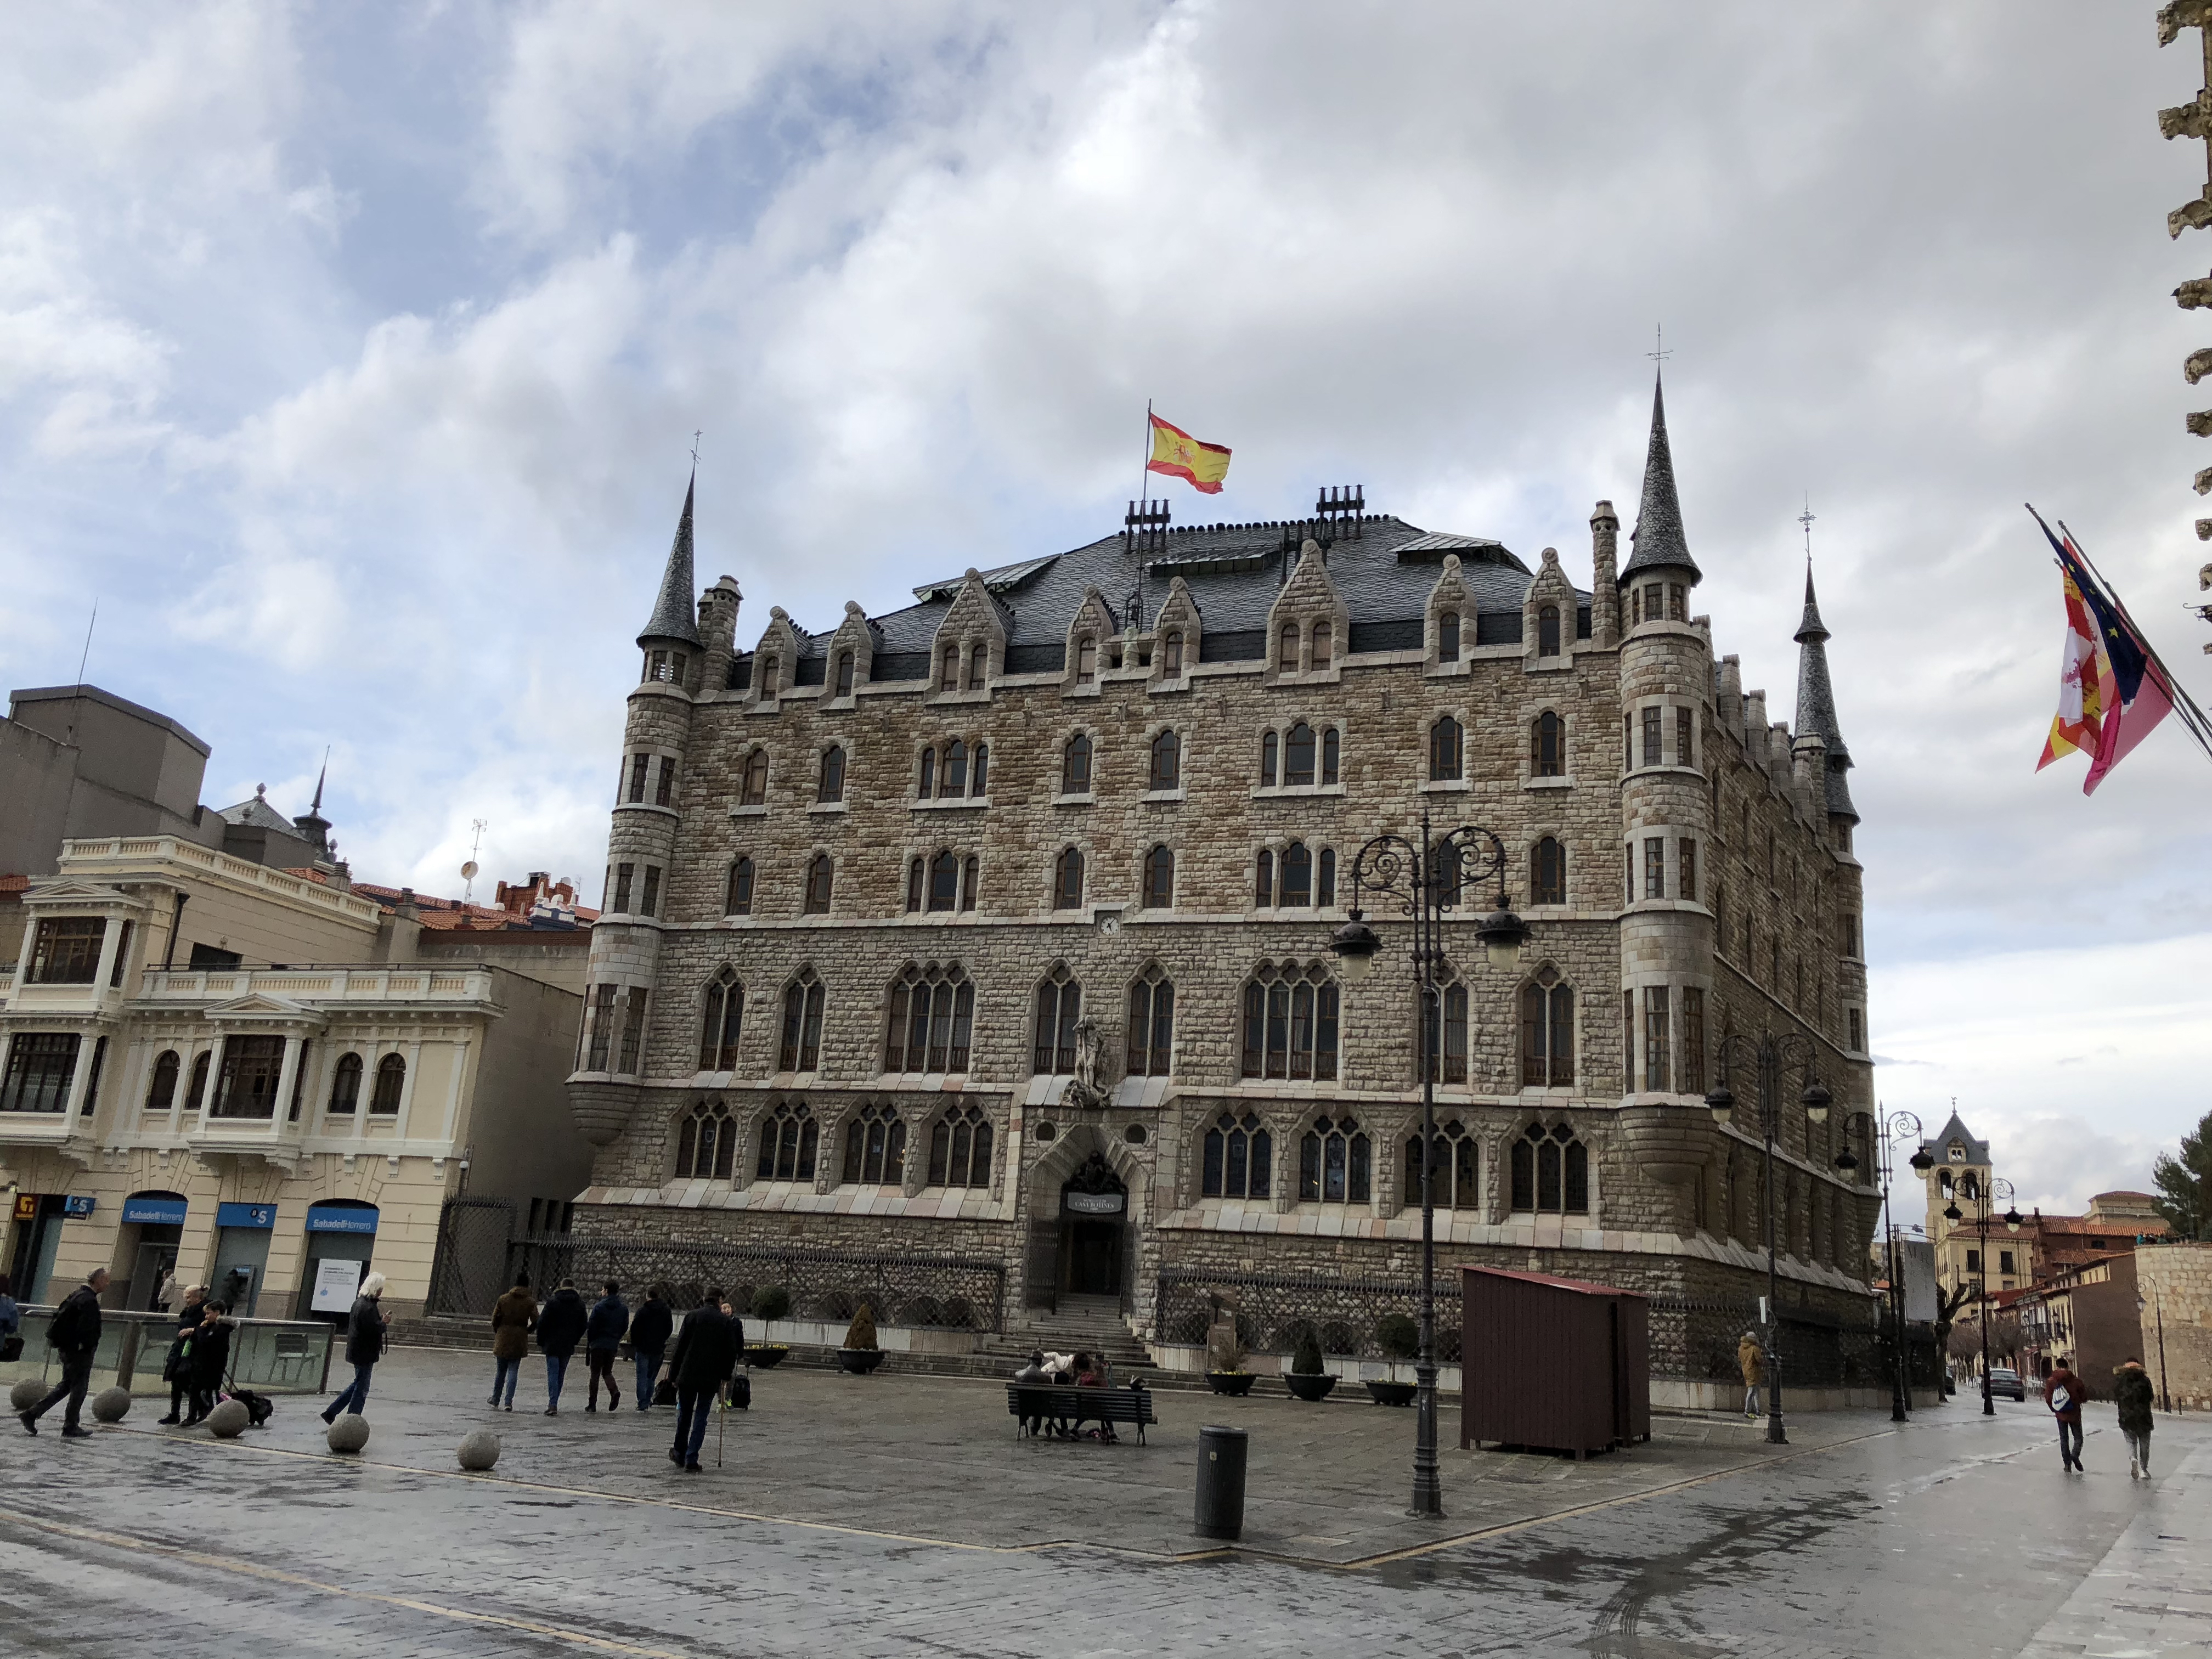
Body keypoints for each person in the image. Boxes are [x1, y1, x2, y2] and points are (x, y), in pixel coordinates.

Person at [20, 1268, 108, 1438]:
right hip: (78, 1352)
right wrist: (86, 1346)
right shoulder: (88, 1300)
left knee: (67, 1385)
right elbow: (87, 1328)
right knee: (79, 1388)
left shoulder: (77, 1295)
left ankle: (32, 1414)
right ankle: (70, 1425)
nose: (108, 1284)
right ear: (97, 1280)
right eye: (106, 1280)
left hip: (69, 1349)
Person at [666, 1287, 738, 1472]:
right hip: (710, 1376)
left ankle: (679, 1452)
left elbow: (680, 1347)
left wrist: (673, 1375)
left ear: (705, 1298)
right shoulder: (725, 1321)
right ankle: (692, 1457)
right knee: (701, 1417)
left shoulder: (692, 1316)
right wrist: (726, 1375)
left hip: (688, 1373)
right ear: (719, 1300)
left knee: (685, 1415)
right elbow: (730, 1352)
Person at [322, 1272, 387, 1424]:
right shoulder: (368, 1308)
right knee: (362, 1388)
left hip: (358, 1350)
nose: (381, 1292)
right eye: (380, 1288)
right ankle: (352, 1418)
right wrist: (383, 1323)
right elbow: (372, 1329)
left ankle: (331, 1412)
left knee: (358, 1383)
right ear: (375, 1289)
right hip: (364, 1352)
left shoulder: (359, 1303)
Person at [535, 1277, 588, 1414]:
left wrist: (541, 1340)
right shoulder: (580, 1304)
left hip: (552, 1343)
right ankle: (554, 1401)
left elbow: (542, 1323)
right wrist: (575, 1339)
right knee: (560, 1374)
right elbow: (583, 1324)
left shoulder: (553, 1302)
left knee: (552, 1373)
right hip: (568, 1343)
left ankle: (553, 1404)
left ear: (561, 1286)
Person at [156, 1284, 207, 1424]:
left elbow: (207, 1328)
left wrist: (193, 1330)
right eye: (186, 1297)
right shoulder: (189, 1310)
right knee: (175, 1380)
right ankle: (175, 1413)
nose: (186, 1300)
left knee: (186, 1381)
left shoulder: (204, 1311)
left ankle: (200, 1409)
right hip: (180, 1349)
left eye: (189, 1297)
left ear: (198, 1297)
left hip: (192, 1351)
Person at [183, 1300, 235, 1427]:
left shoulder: (221, 1329)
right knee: (195, 1389)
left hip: (211, 1366)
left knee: (203, 1390)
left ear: (217, 1313)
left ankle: (202, 1414)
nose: (206, 1317)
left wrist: (199, 1331)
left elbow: (206, 1342)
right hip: (202, 1364)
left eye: (209, 1314)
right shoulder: (212, 1327)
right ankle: (197, 1414)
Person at [489, 1273, 536, 1411]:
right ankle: (508, 1402)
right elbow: (536, 1320)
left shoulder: (503, 1299)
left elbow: (495, 1318)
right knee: (513, 1370)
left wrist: (498, 1330)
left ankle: (496, 1398)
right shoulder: (530, 1302)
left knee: (501, 1371)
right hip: (519, 1338)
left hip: (503, 1336)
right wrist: (528, 1330)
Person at [585, 1280, 629, 1413]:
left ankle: (592, 1404)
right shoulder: (623, 1309)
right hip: (612, 1344)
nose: (601, 1292)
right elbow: (624, 1327)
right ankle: (614, 1391)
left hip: (598, 1343)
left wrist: (592, 1340)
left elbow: (592, 1326)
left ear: (607, 1291)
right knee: (607, 1372)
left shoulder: (599, 1307)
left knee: (595, 1374)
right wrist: (616, 1337)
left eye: (603, 1290)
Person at [628, 1283, 673, 1411]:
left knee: (642, 1376)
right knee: (651, 1376)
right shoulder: (666, 1310)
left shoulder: (643, 1311)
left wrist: (636, 1343)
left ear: (647, 1295)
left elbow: (635, 1329)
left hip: (643, 1347)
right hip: (658, 1347)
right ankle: (647, 1400)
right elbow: (669, 1328)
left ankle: (642, 1402)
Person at [2114, 1357, 2156, 1480]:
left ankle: (2133, 1458)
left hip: (2126, 1417)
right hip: (2144, 1417)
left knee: (2130, 1441)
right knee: (2145, 1444)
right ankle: (2144, 1470)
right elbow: (2151, 1397)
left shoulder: (2120, 1381)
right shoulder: (2145, 1380)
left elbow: (2116, 1396)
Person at [2044, 1360, 2086, 1472]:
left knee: (2064, 1439)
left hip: (2060, 1414)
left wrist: (2055, 1409)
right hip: (2075, 1414)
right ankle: (2075, 1455)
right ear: (2068, 1367)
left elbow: (2048, 1398)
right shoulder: (2076, 1381)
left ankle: (2067, 1465)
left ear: (2057, 1367)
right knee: (2078, 1438)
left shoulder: (2051, 1381)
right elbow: (2084, 1397)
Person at [1739, 1330, 1765, 1419]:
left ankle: (1758, 1409)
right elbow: (1759, 1360)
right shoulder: (1754, 1348)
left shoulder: (1741, 1348)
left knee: (1756, 1390)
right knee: (1752, 1391)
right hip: (1754, 1371)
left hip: (1746, 1370)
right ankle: (1748, 1411)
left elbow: (1740, 1358)